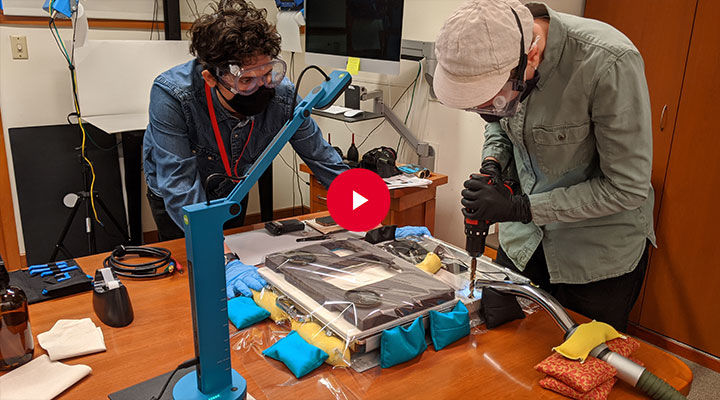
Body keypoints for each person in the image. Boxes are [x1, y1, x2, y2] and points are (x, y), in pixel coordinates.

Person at [433, 0, 655, 331]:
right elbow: (499, 121)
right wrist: (493, 163)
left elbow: (626, 187)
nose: (489, 111)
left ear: (532, 56)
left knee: (580, 365)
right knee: (502, 342)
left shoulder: (608, 62)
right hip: (523, 242)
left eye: (492, 99)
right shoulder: (500, 49)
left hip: (594, 256)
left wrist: (523, 207)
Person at [143, 0, 348, 242]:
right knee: (195, 267)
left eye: (269, 73)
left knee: (235, 249)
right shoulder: (173, 96)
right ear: (210, 78)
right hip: (178, 199)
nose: (262, 86)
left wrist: (363, 208)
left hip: (231, 190)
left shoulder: (282, 95)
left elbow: (322, 158)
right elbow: (179, 186)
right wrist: (217, 252)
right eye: (247, 80)